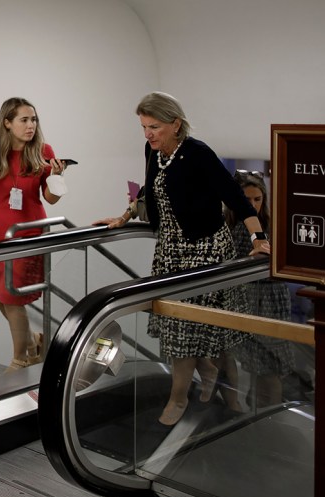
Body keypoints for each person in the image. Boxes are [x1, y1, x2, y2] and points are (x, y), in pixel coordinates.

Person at [94, 92, 270, 425]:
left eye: (155, 126)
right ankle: (189, 388)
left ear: (176, 123)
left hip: (206, 251)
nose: (148, 134)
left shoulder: (198, 153)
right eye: (144, 127)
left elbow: (236, 198)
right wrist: (125, 216)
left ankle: (205, 396)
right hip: (170, 252)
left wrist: (258, 238)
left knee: (210, 331)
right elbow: (149, 190)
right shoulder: (154, 151)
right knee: (179, 329)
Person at [0, 97, 68, 371]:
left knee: (12, 298)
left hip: (30, 234)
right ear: (7, 123)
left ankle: (20, 359)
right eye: (24, 120)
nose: (31, 125)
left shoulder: (43, 150)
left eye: (34, 119)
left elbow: (50, 198)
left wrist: (57, 176)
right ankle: (34, 341)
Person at [227, 170, 295, 408]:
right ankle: (255, 408)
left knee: (270, 367)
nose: (253, 205)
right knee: (252, 364)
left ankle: (270, 412)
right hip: (244, 299)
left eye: (257, 199)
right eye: (247, 200)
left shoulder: (271, 226)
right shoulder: (230, 225)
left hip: (270, 298)